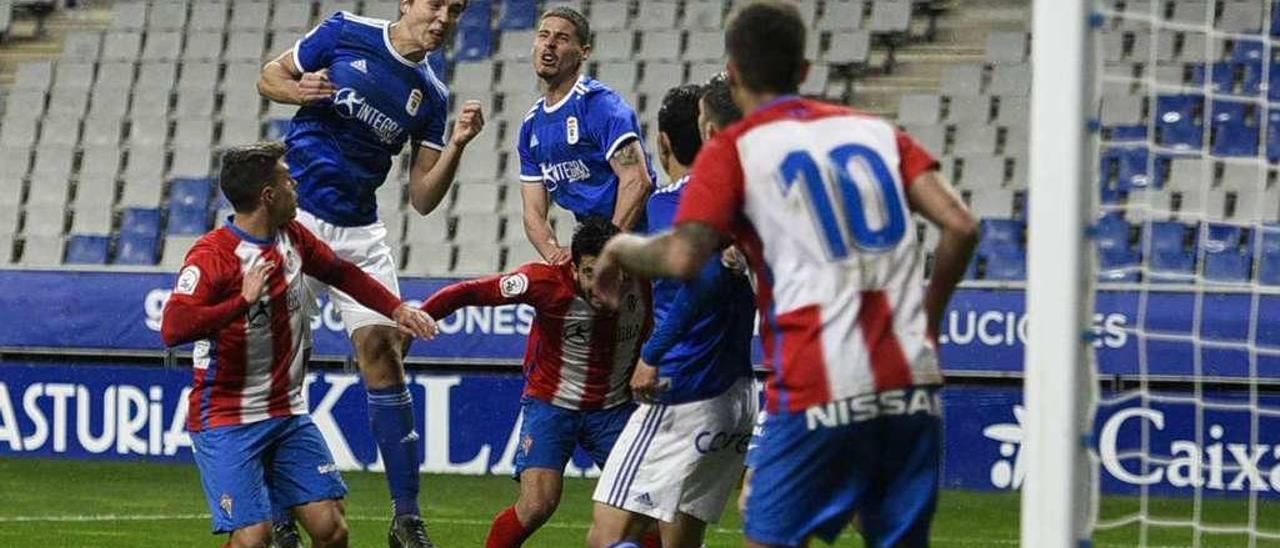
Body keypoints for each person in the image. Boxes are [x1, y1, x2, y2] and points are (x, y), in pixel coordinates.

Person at [590, 2, 980, 546]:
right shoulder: (872, 132)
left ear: (734, 72)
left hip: (818, 377)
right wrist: (927, 322)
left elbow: (684, 259)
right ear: (804, 70)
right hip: (909, 381)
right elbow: (961, 225)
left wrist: (620, 250)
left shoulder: (737, 149)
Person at [257, 1, 484, 545]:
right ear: (407, 2)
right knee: (279, 368)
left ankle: (406, 518)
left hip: (360, 231)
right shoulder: (345, 30)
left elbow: (423, 197)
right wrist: (299, 92)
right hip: (299, 215)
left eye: (456, 10)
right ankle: (282, 515)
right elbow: (270, 76)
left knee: (385, 353)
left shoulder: (431, 94)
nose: (444, 17)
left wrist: (455, 145)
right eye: (436, 4)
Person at [160, 142, 439, 548]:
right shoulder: (212, 256)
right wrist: (241, 301)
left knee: (332, 530)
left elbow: (342, 273)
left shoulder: (292, 237)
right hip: (227, 418)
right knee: (255, 538)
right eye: (288, 179)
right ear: (267, 196)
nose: (297, 184)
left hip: (286, 414)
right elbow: (173, 328)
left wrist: (394, 309)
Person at [586, 82, 756, 548]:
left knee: (607, 536)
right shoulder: (740, 200)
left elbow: (707, 280)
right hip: (739, 396)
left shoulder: (676, 203)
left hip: (681, 390)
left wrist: (652, 353)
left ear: (661, 142)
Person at [418, 217, 652, 548]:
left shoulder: (648, 279)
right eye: (590, 272)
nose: (601, 282)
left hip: (613, 409)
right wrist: (416, 321)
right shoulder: (543, 282)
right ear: (574, 268)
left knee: (645, 510)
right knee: (537, 504)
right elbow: (468, 292)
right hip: (552, 405)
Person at [517, 6, 657, 263]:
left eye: (562, 38)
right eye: (543, 35)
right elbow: (533, 211)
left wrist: (607, 252)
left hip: (644, 243)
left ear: (584, 52)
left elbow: (638, 181)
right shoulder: (530, 127)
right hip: (600, 249)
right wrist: (555, 255)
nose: (549, 45)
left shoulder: (600, 105)